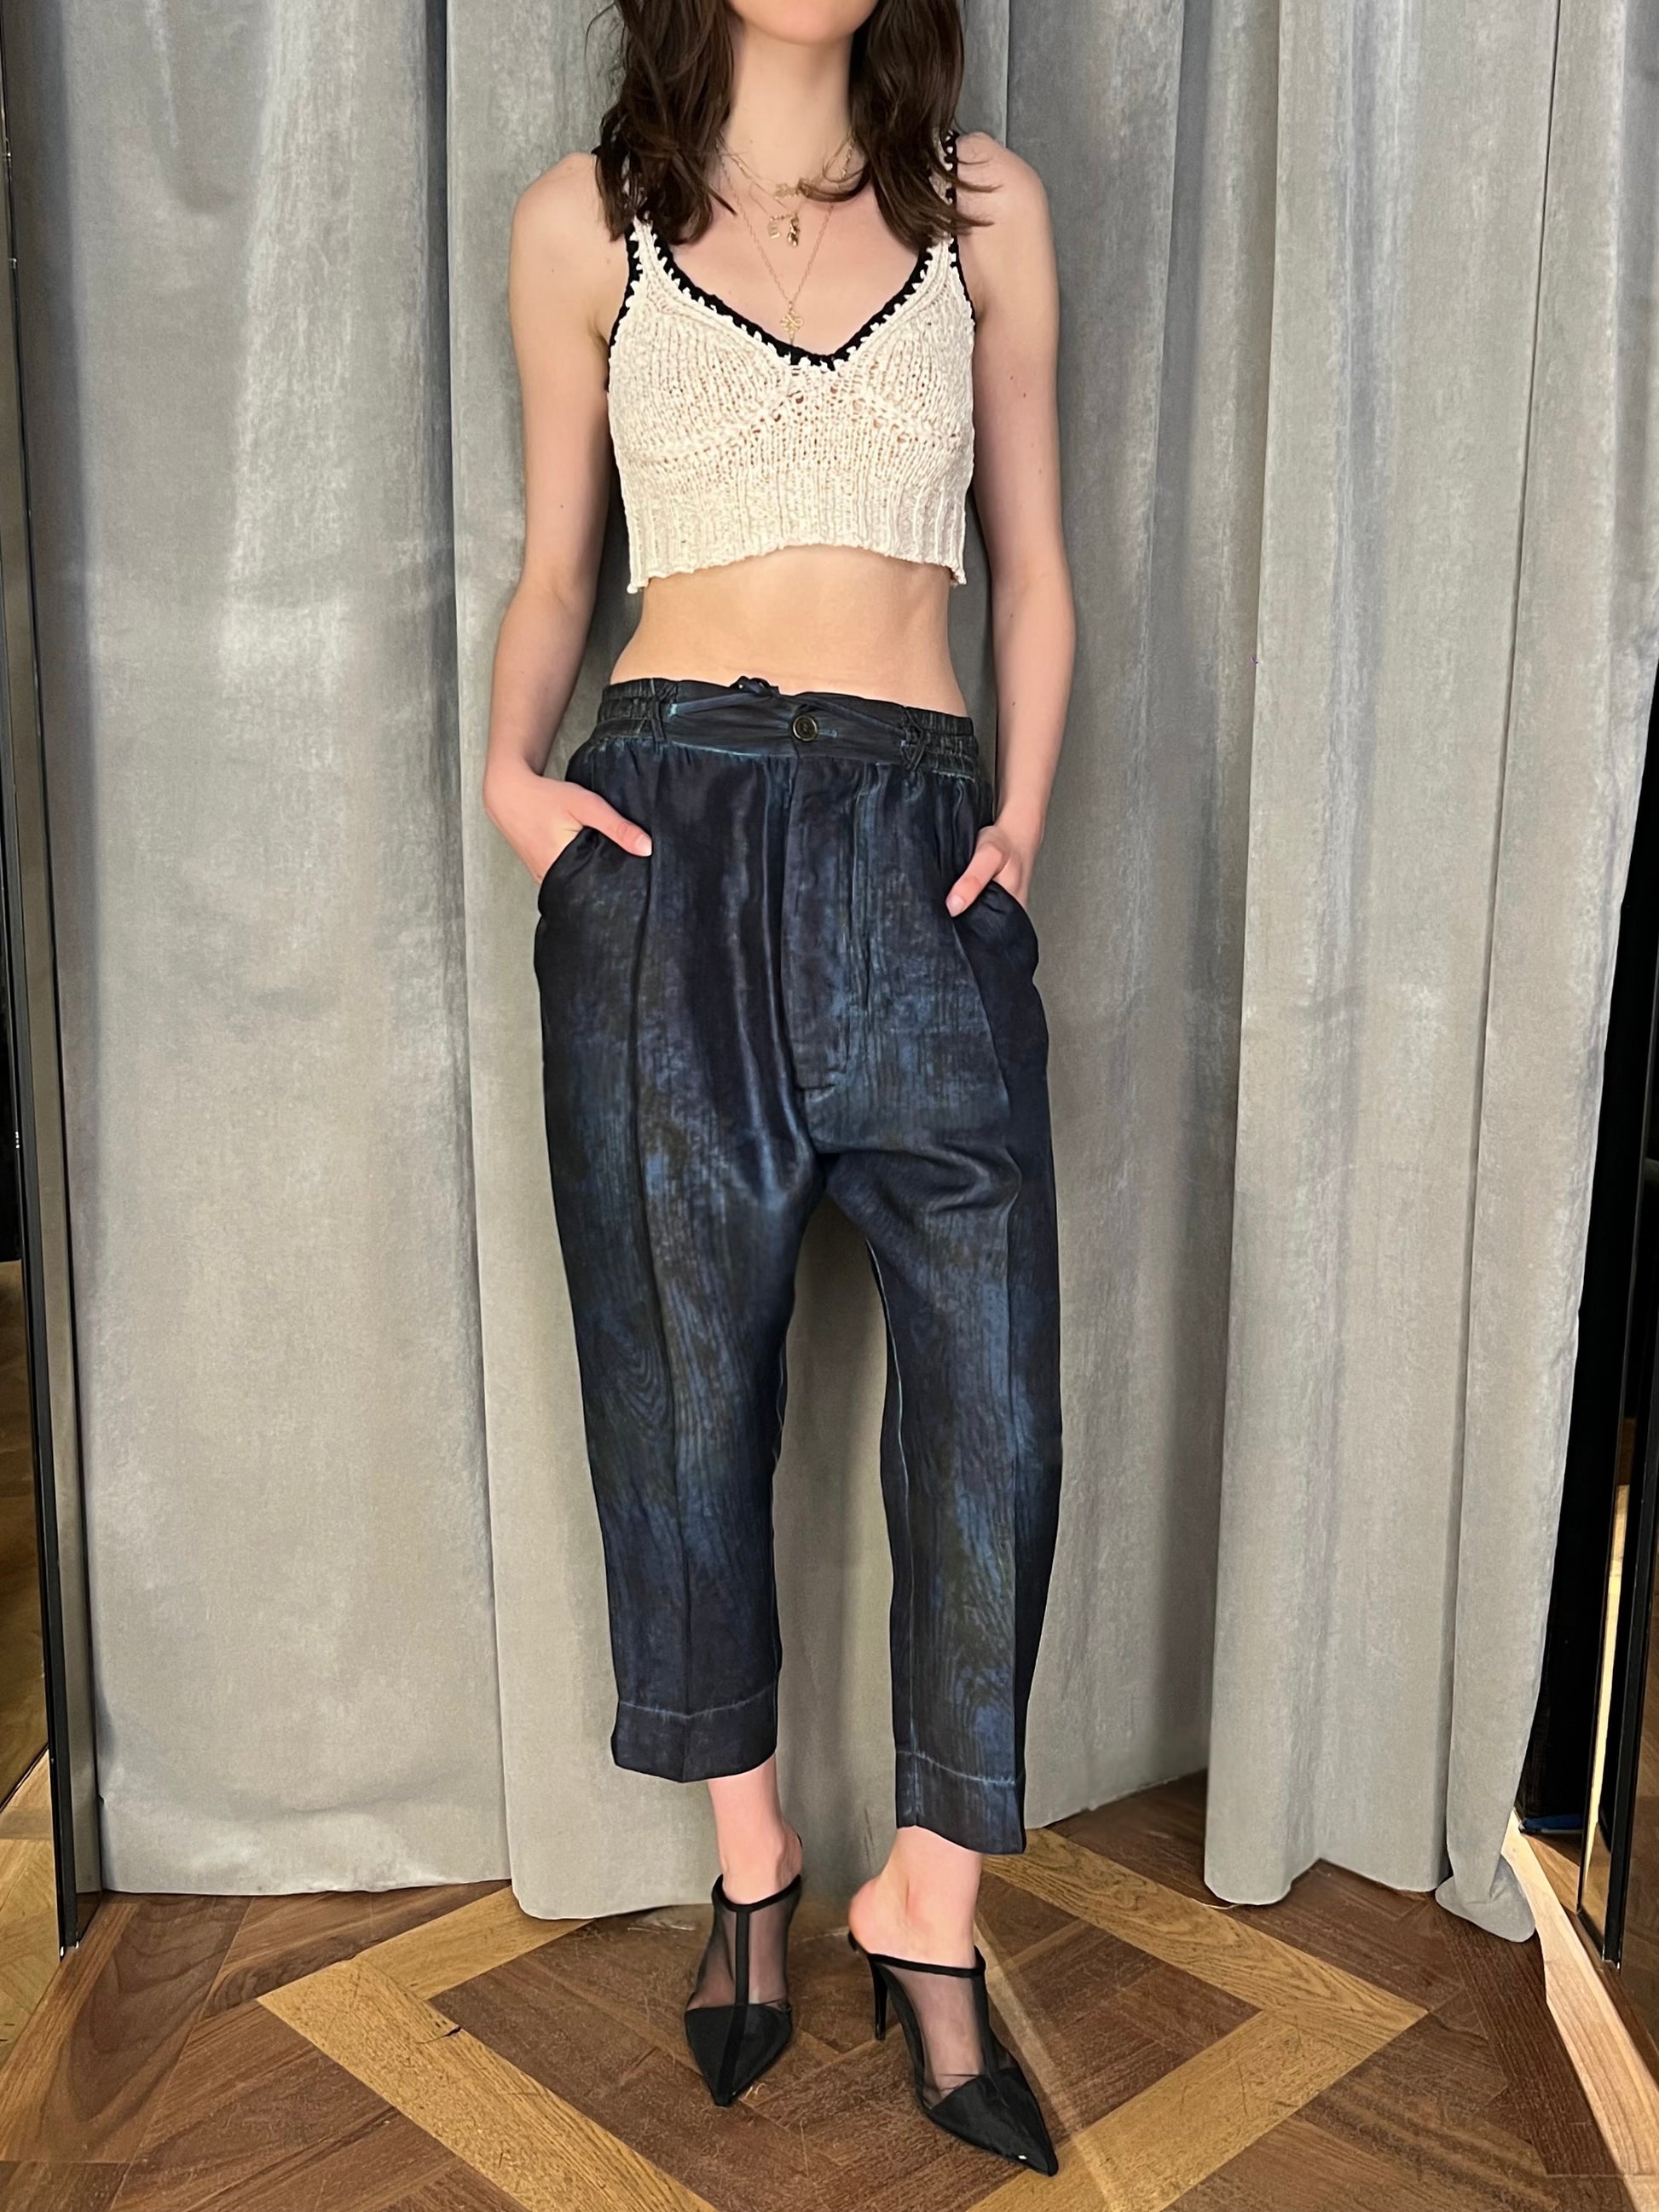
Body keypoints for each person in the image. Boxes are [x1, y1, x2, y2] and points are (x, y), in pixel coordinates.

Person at [482, 0, 1072, 2174]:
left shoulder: (984, 212)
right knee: (674, 1375)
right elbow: (561, 568)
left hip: (919, 833)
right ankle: (750, 1853)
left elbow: (1034, 561)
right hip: (670, 822)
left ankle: (933, 1894)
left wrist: (1020, 824)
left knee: (994, 1400)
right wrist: (510, 784)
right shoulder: (588, 223)